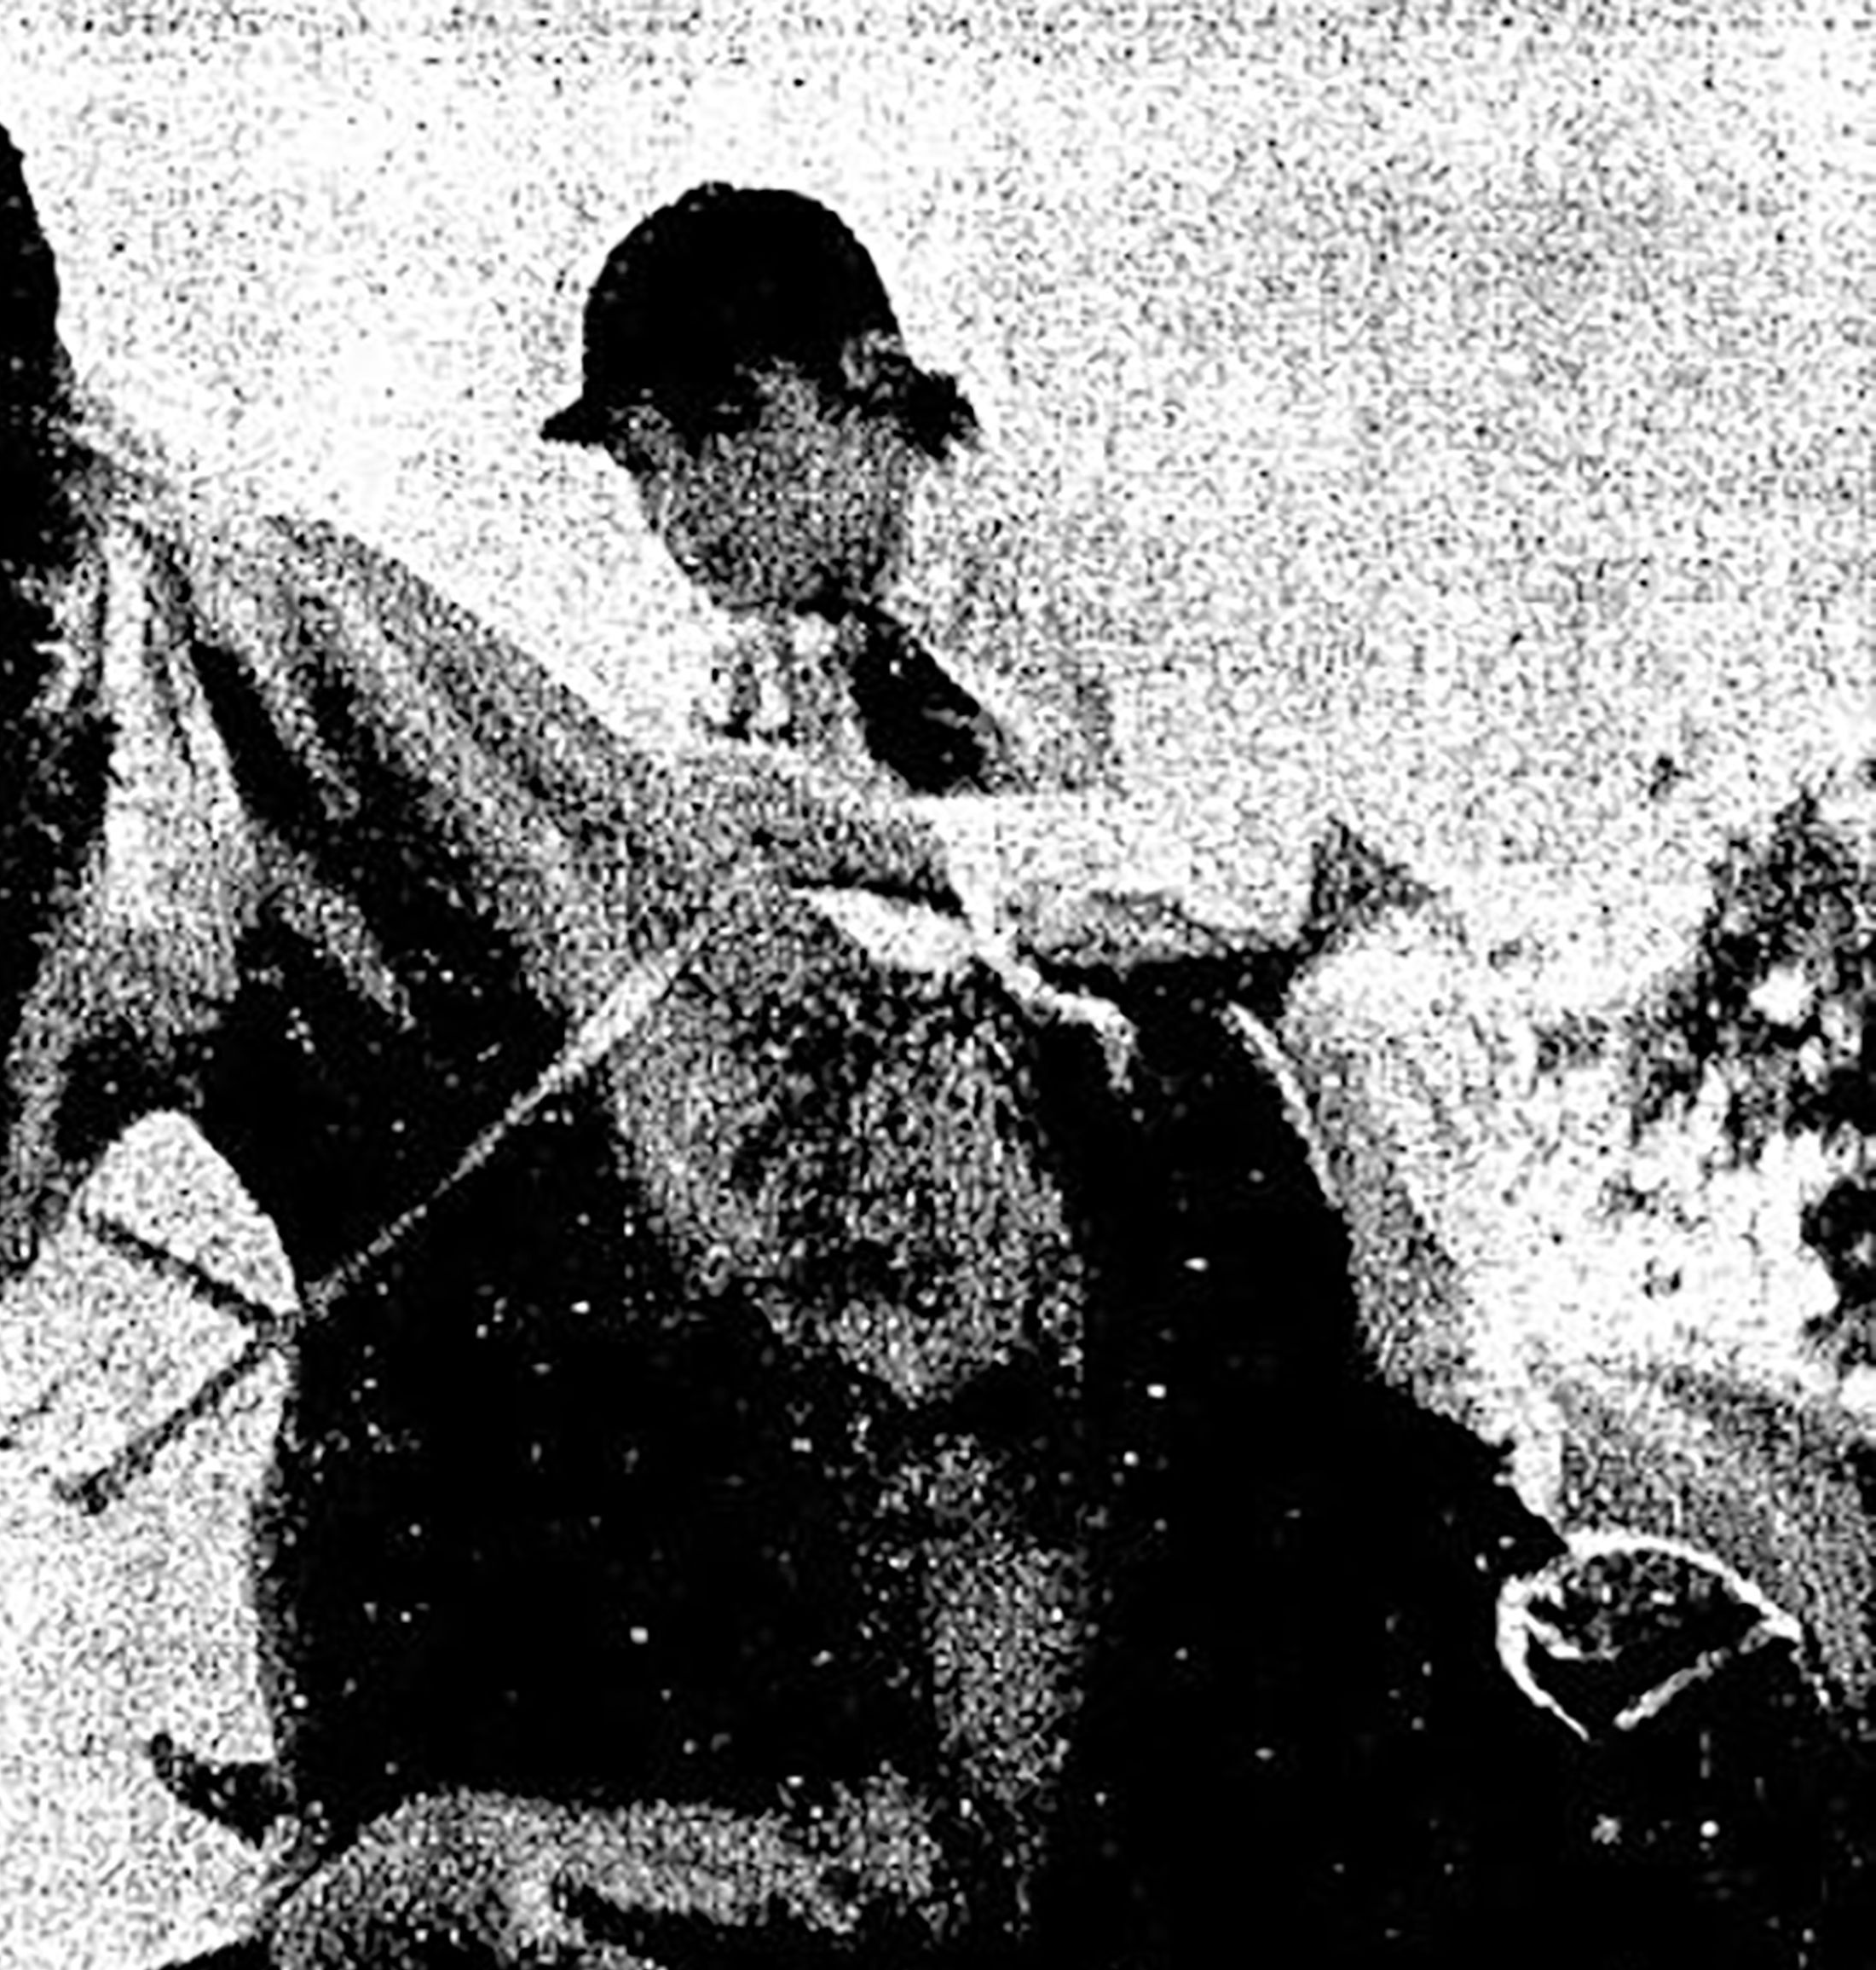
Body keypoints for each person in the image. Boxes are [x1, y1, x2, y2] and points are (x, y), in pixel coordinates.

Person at [540, 182, 1541, 1442]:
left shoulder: (1099, 532)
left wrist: (869, 843)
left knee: (1363, 1031)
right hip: (1080, 1028)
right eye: (644, 462)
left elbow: (1243, 870)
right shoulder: (754, 672)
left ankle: (1504, 1522)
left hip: (1324, 956)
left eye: (728, 426)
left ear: (872, 381)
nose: (683, 510)